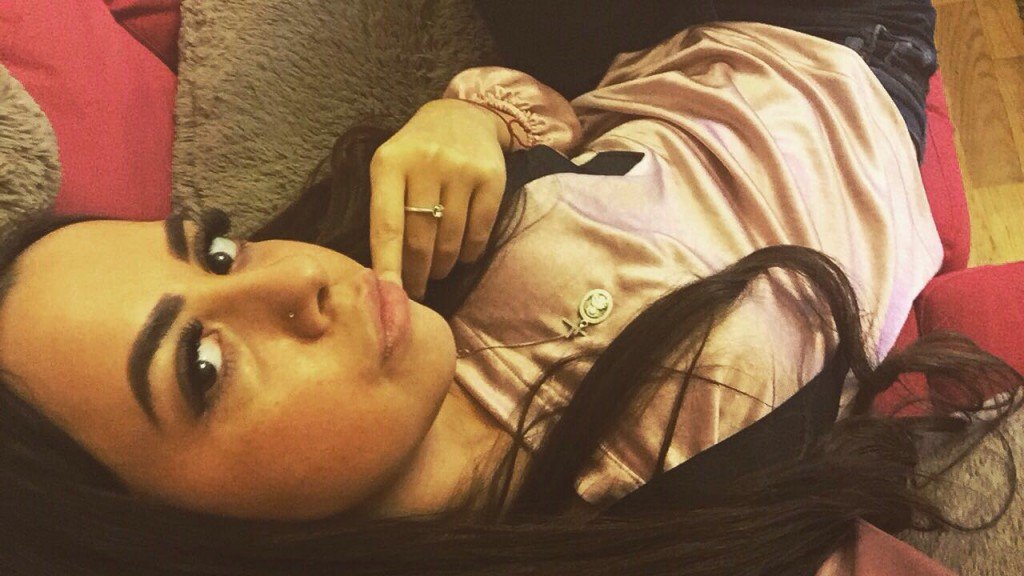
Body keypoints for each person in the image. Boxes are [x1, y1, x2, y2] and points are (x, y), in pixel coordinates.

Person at [0, 1, 1020, 574]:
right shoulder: (658, 535)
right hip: (854, 51)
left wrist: (467, 119)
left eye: (217, 254)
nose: (302, 279)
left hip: (671, 45)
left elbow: (569, 123)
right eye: (204, 367)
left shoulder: (396, 266)